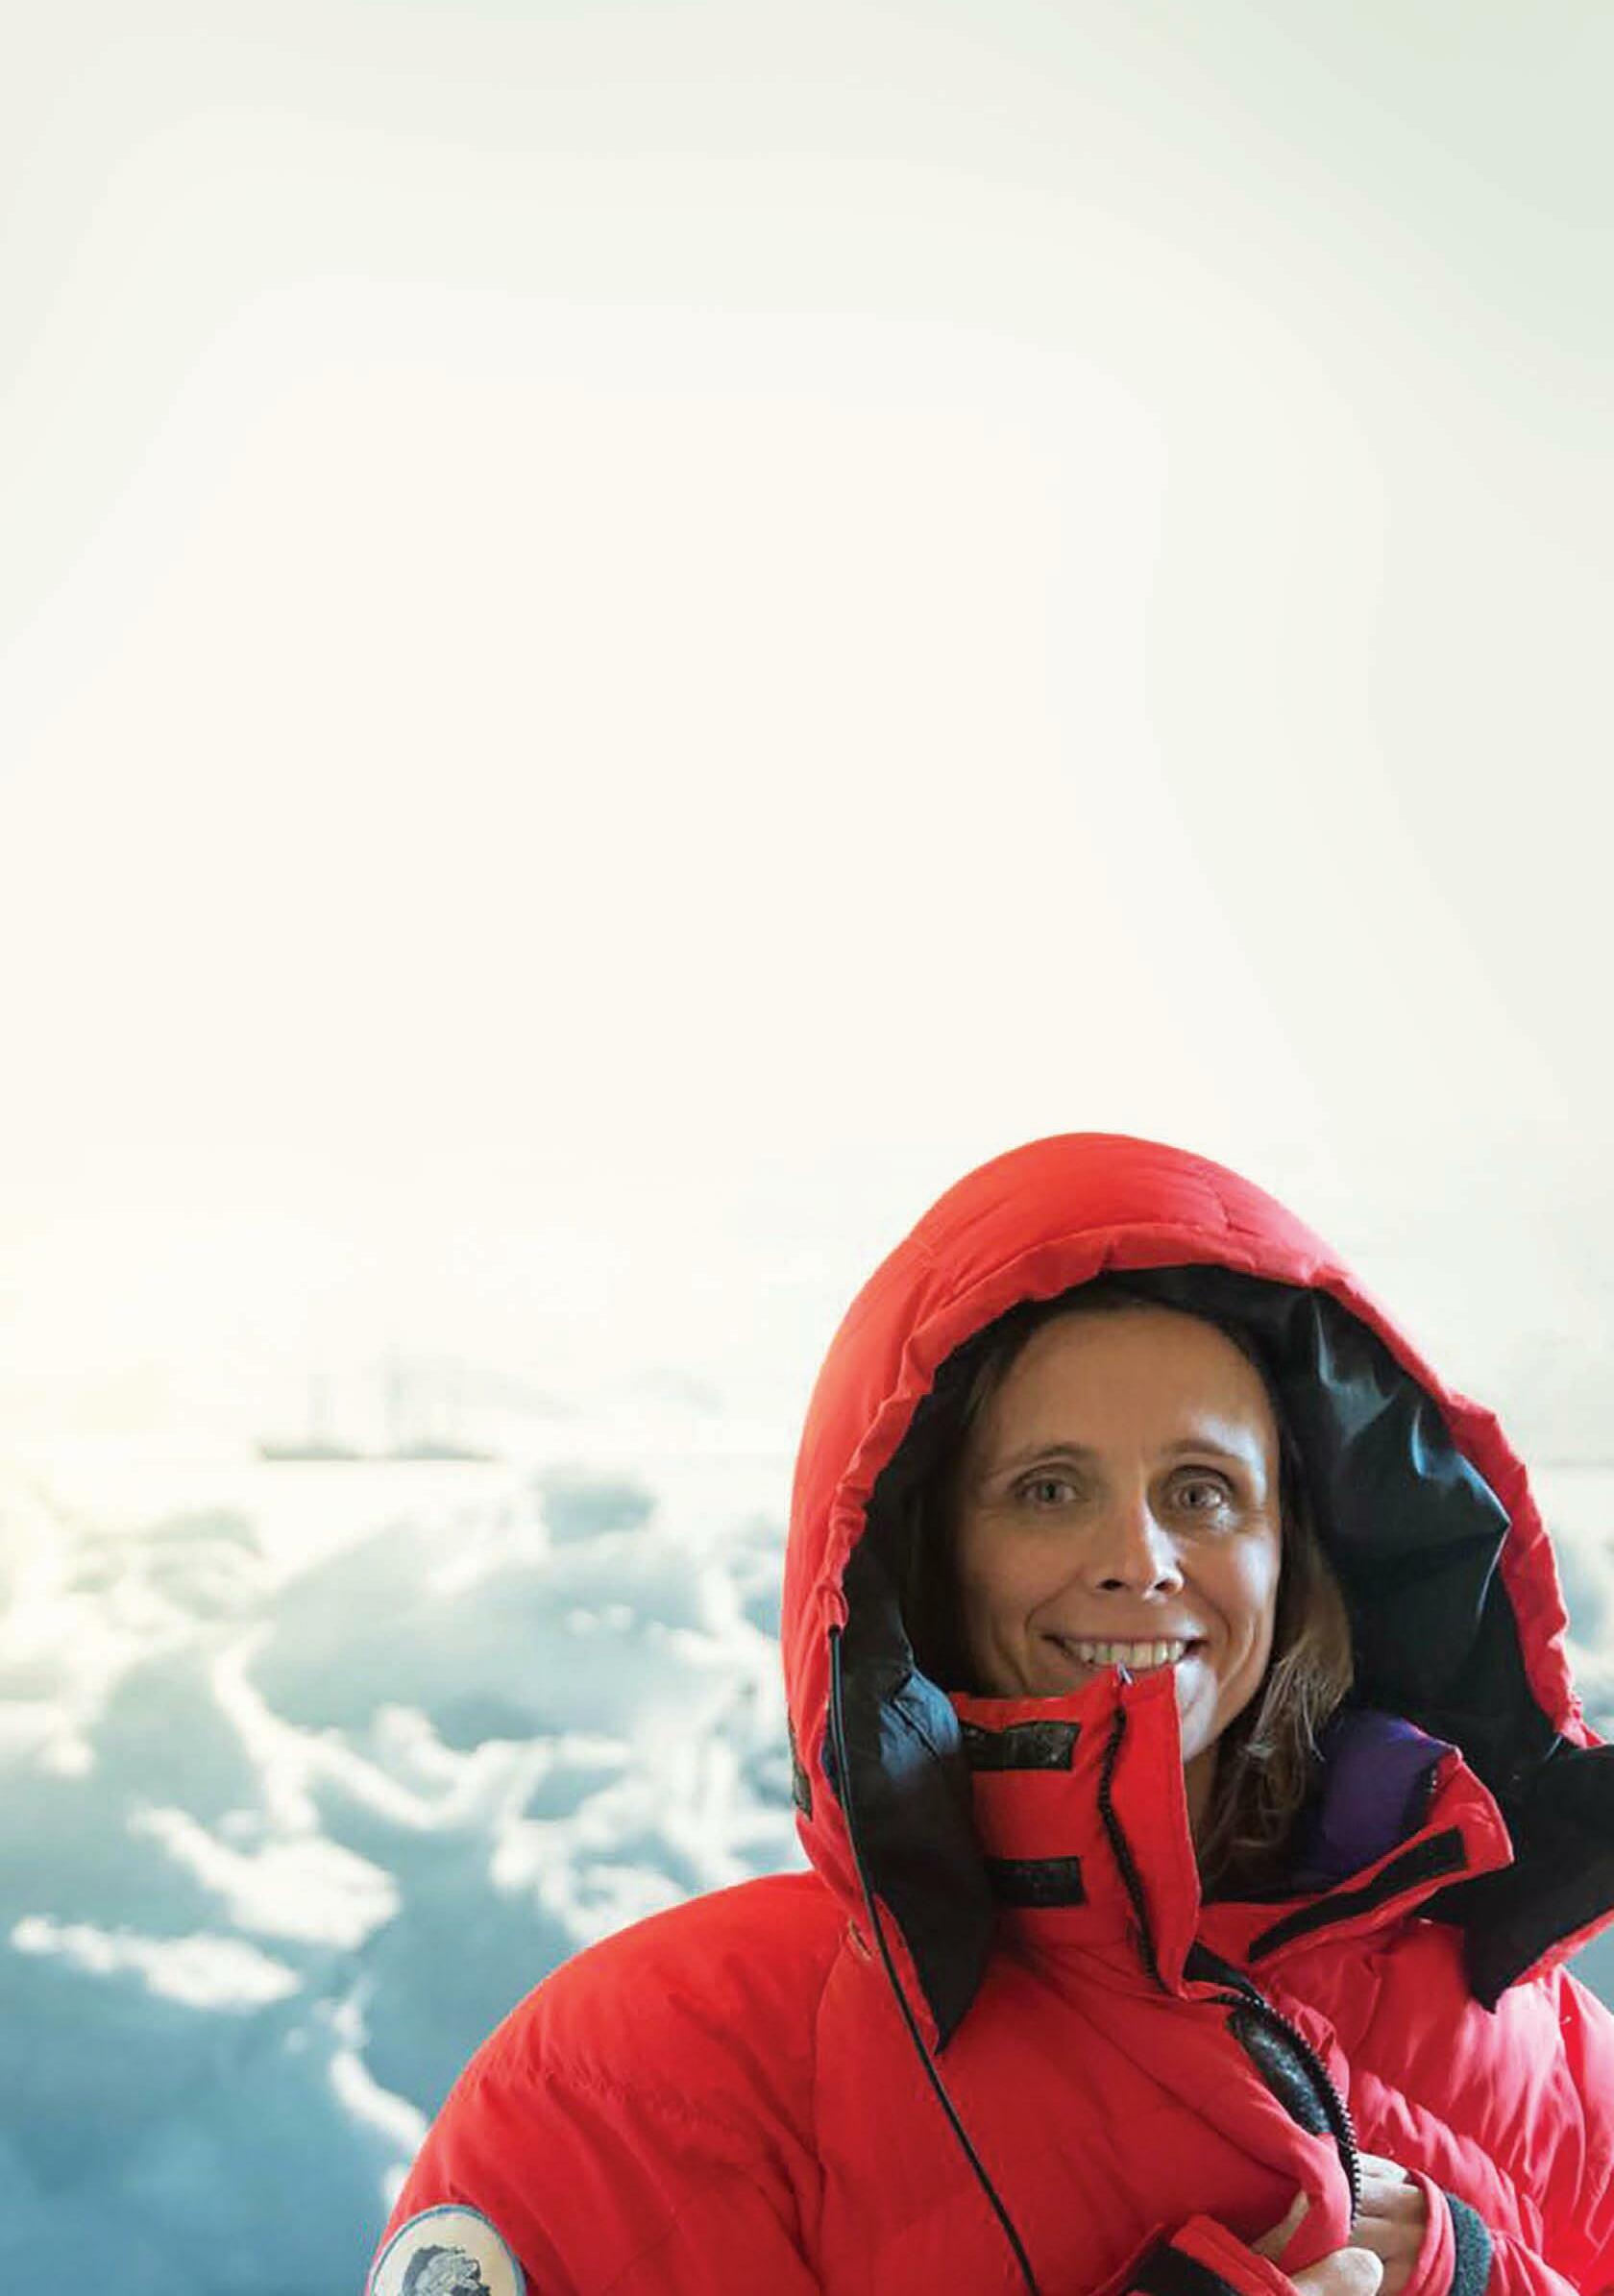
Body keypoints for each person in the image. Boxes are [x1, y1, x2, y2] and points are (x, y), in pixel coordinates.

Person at [366, 1132, 1614, 2296]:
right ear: (923, 1551)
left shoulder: (1547, 2049)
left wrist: (1480, 2274)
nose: (1139, 1559)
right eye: (1049, 1489)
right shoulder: (636, 2081)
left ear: (1296, 1546)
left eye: (1201, 1490)